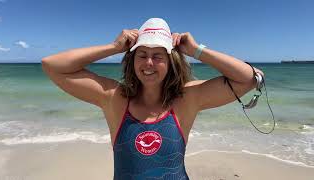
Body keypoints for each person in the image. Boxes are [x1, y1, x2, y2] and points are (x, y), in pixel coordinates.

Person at [42, 18, 264, 179]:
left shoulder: (186, 99)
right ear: (132, 60)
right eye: (142, 55)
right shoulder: (115, 99)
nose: (149, 63)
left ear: (171, 62)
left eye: (158, 56)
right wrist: (113, 47)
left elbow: (248, 78)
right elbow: (52, 66)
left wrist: (196, 50)